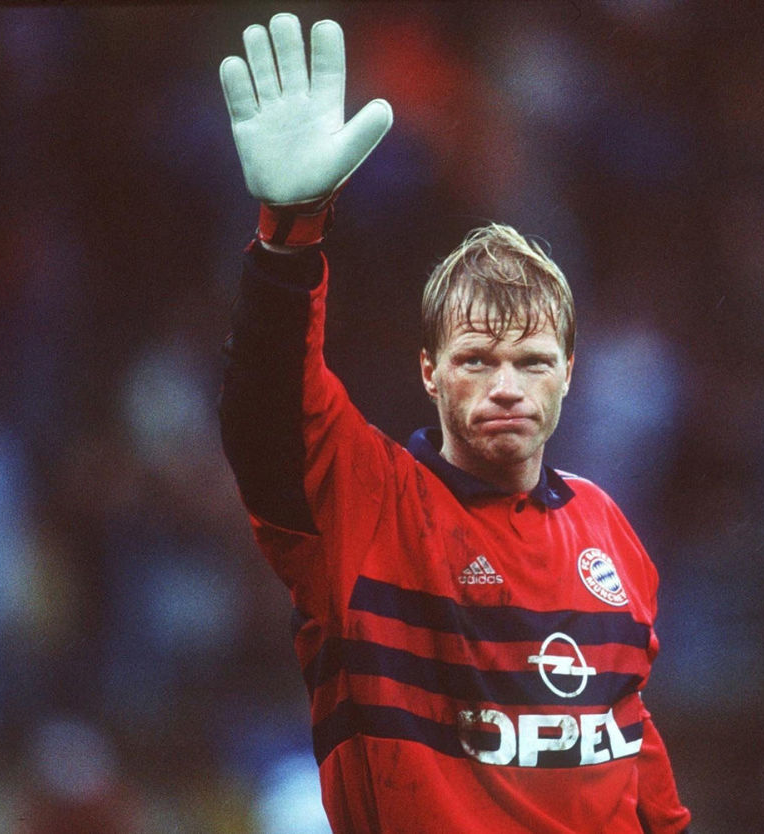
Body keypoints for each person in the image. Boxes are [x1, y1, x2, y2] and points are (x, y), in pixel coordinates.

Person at [217, 13, 691, 834]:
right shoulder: (367, 508)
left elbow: (642, 773)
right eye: (476, 359)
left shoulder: (609, 533)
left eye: (532, 361)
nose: (506, 387)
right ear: (429, 371)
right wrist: (288, 243)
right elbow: (267, 415)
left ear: (569, 374)